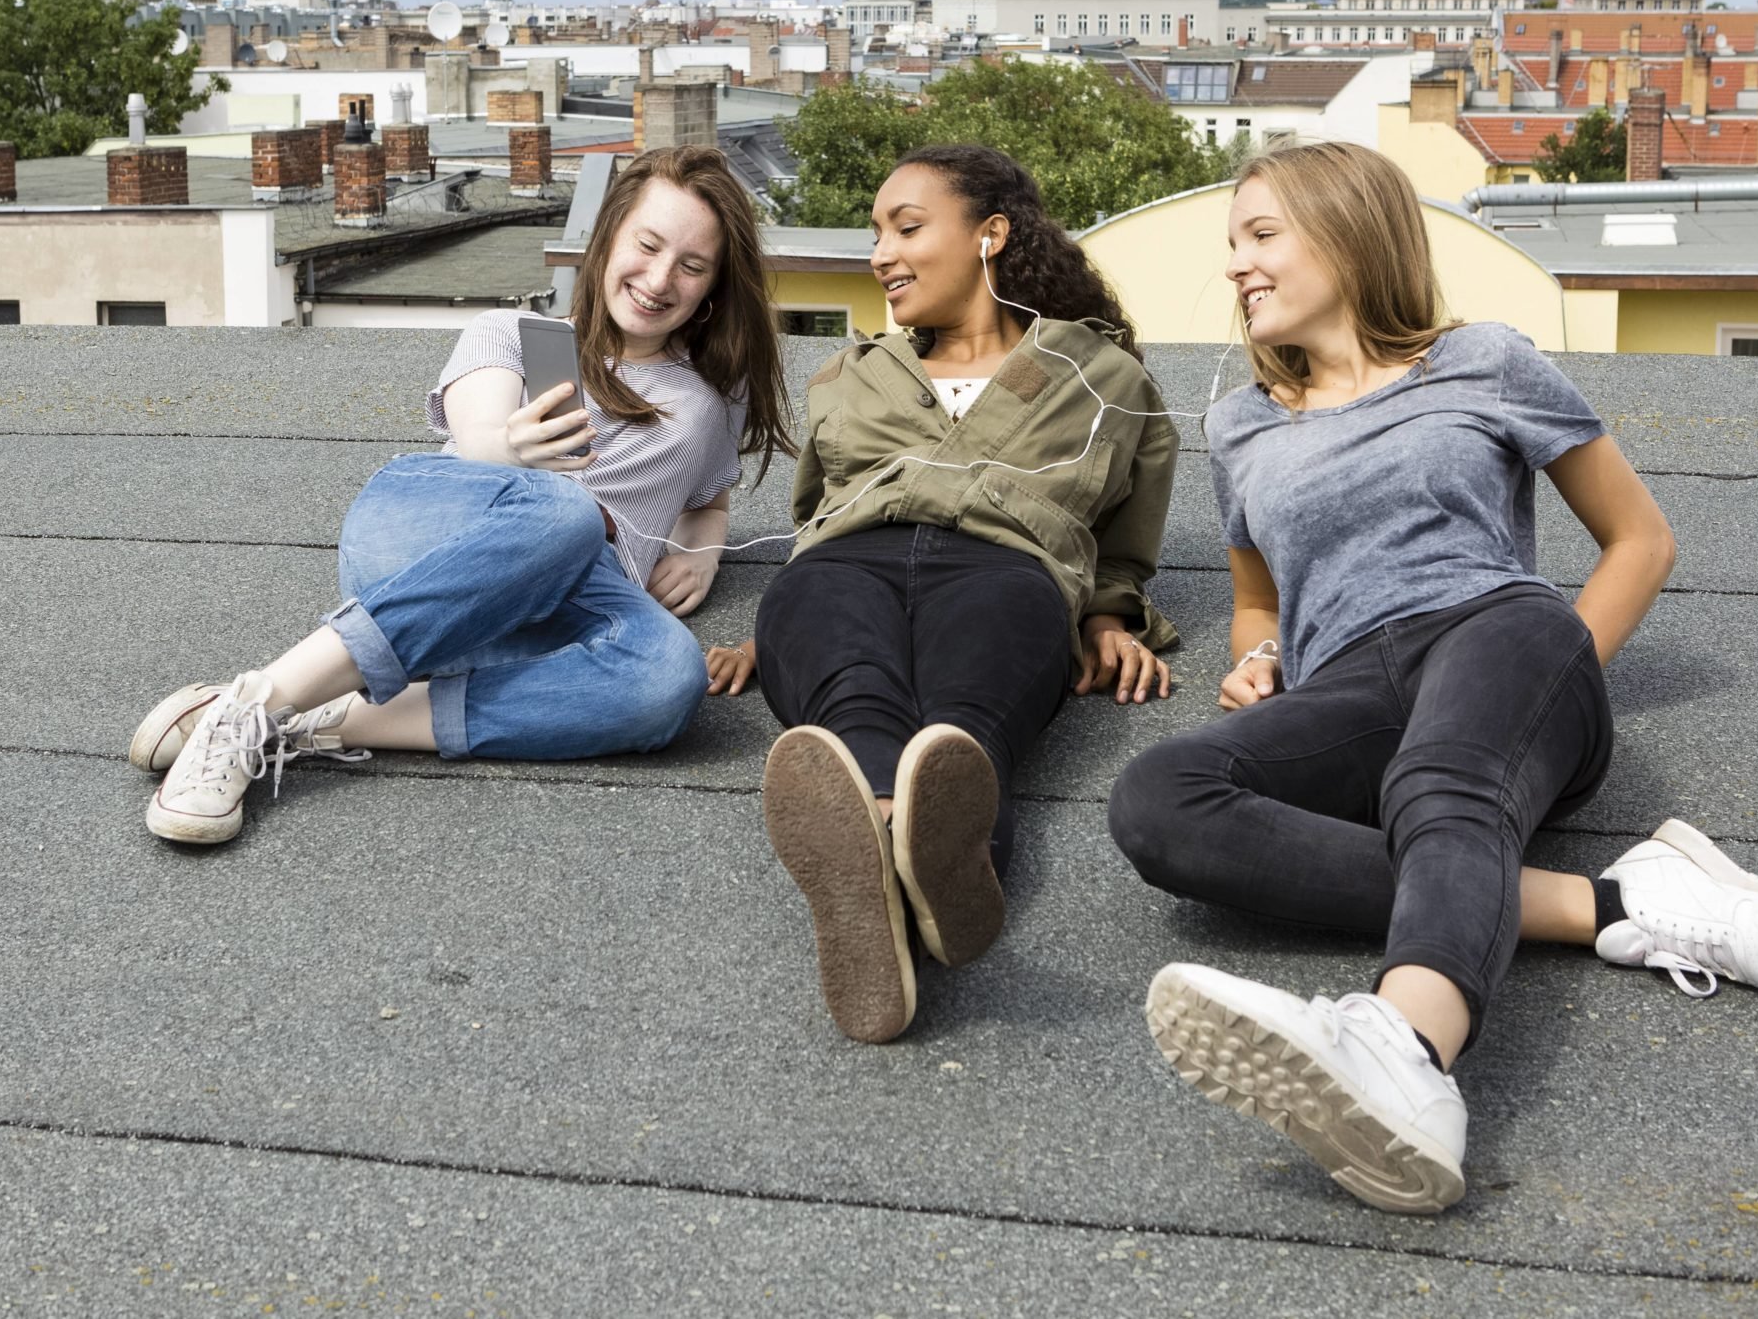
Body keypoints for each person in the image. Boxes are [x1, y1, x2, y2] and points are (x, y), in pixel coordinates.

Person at [1108, 141, 1758, 1215]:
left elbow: (1639, 540)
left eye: (1260, 235)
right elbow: (1259, 598)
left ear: (1348, 234)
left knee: (1441, 784)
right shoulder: (1240, 425)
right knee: (1154, 799)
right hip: (1345, 690)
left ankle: (1405, 1055)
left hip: (1497, 635)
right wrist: (1257, 656)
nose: (1235, 265)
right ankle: (1623, 905)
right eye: (1232, 242)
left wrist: (1552, 680)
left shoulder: (1481, 360)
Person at [132, 144, 791, 845]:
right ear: (608, 241)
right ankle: (260, 699)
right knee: (567, 510)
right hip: (430, 535)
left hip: (565, 606)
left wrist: (703, 552)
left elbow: (709, 498)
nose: (660, 279)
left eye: (691, 265)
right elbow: (478, 440)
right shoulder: (507, 331)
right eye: (647, 245)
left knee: (669, 675)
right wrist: (515, 450)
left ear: (715, 284)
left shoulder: (710, 397)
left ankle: (305, 718)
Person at [707, 144, 1181, 1044]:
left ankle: (875, 888)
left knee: (959, 733)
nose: (881, 253)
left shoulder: (1102, 375)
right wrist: (771, 642)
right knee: (852, 699)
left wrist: (1109, 614)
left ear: (990, 235)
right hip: (843, 565)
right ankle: (927, 882)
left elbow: (1124, 532)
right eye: (876, 233)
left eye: (907, 227)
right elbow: (817, 520)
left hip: (1004, 565)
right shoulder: (850, 374)